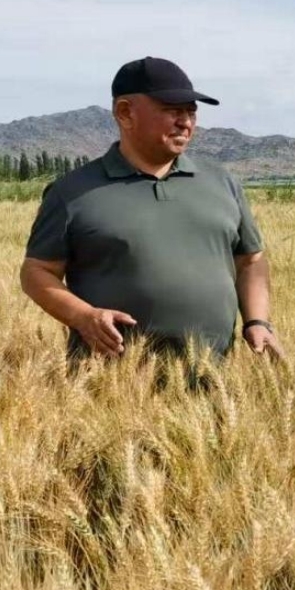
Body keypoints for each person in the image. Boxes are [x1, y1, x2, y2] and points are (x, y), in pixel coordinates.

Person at [20, 56, 281, 361]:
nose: (185, 122)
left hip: (213, 375)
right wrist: (83, 316)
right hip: (113, 378)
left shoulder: (222, 183)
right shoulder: (71, 192)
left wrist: (257, 321)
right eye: (172, 110)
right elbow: (37, 272)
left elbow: (250, 261)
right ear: (125, 112)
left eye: (191, 112)